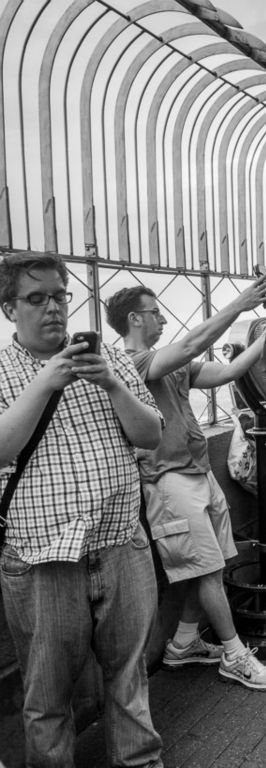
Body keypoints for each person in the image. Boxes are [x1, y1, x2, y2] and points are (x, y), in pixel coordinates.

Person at [0, 252, 165, 766]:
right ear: (9, 310)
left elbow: (151, 435)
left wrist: (112, 384)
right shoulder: (4, 372)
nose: (52, 308)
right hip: (42, 557)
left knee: (129, 683)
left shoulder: (109, 361)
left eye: (59, 296)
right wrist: (45, 382)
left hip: (120, 543)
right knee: (47, 700)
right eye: (36, 298)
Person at [107, 280, 266, 692]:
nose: (163, 317)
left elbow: (230, 370)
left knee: (207, 567)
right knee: (207, 570)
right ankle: (235, 656)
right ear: (134, 319)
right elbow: (187, 348)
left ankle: (183, 643)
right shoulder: (129, 363)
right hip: (168, 482)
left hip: (199, 472)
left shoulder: (172, 365)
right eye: (154, 312)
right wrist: (239, 305)